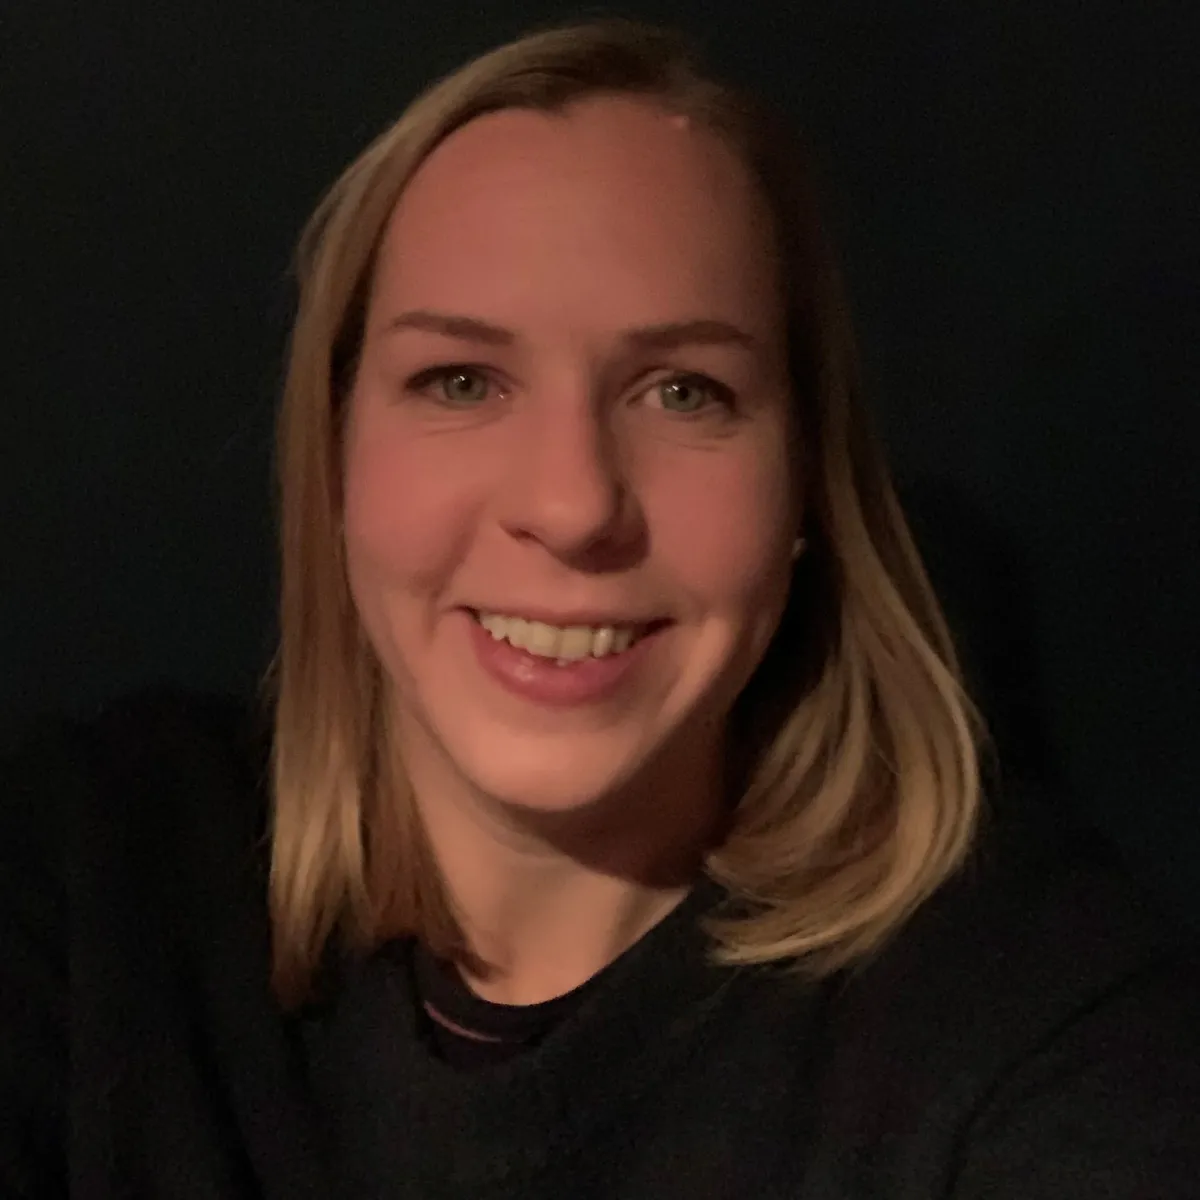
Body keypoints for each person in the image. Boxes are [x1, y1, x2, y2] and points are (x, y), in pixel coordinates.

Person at [3, 16, 1198, 1199]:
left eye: (685, 391)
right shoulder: (95, 879)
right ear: (333, 466)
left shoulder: (1032, 1022)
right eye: (460, 380)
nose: (574, 506)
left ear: (804, 493)